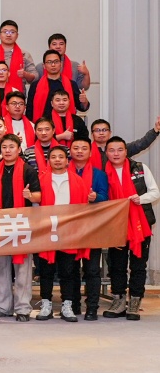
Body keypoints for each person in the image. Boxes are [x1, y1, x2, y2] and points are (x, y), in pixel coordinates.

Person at [101, 137, 160, 321]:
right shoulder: (102, 172)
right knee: (116, 265)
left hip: (140, 224)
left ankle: (135, 301)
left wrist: (140, 199)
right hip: (116, 225)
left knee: (138, 265)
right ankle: (118, 301)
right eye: (112, 150)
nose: (116, 154)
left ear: (126, 151)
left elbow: (155, 192)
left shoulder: (140, 169)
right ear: (106, 153)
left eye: (120, 150)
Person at [0, 134, 41, 321]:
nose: (7, 150)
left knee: (23, 268)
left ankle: (23, 308)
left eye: (11, 147)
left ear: (19, 150)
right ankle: (2, 306)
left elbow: (39, 196)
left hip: (21, 223)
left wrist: (29, 196)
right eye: (4, 147)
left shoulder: (28, 170)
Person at [34, 146, 89, 322]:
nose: (57, 160)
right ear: (48, 161)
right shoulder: (41, 180)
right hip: (47, 231)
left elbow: (84, 208)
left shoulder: (78, 181)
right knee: (46, 271)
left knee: (68, 271)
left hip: (69, 232)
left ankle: (67, 305)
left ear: (67, 160)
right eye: (53, 157)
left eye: (61, 157)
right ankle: (46, 304)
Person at [69, 137, 109, 320]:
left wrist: (96, 197)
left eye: (84, 148)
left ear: (90, 152)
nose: (79, 151)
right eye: (76, 148)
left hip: (92, 227)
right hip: (69, 228)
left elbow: (105, 197)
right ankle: (73, 305)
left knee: (92, 270)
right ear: (70, 151)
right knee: (71, 269)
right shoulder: (63, 172)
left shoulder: (99, 174)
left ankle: (92, 307)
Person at [27, 49, 90, 121]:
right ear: (44, 66)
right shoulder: (35, 85)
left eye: (56, 62)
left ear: (61, 64)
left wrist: (84, 101)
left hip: (66, 125)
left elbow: (82, 108)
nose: (53, 65)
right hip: (43, 126)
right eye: (49, 62)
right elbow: (29, 111)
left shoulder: (71, 84)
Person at [0, 20, 38, 91]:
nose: (8, 35)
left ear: (17, 35)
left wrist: (25, 74)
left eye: (12, 32)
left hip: (18, 95)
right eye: (5, 32)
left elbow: (35, 77)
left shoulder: (25, 55)